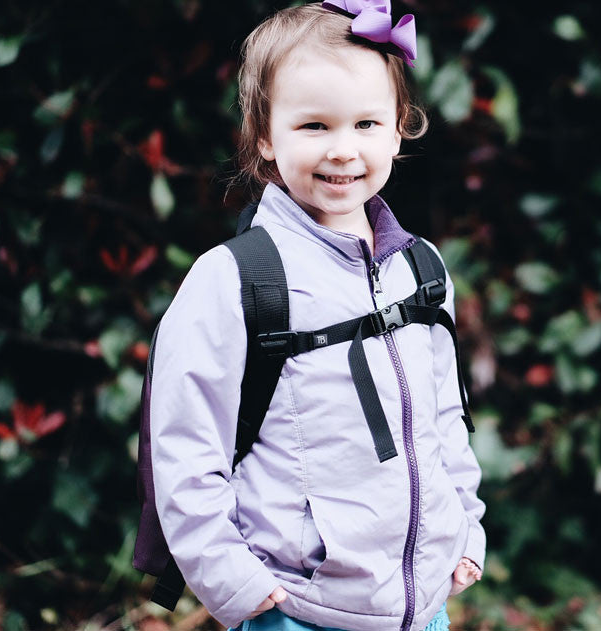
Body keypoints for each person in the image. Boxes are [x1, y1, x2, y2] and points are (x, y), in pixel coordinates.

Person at [148, 2, 486, 630]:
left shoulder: (423, 268)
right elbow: (184, 449)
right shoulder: (234, 280)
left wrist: (466, 527)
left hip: (421, 608)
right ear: (266, 135)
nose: (343, 149)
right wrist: (232, 580)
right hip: (297, 607)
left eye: (365, 123)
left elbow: (446, 418)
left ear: (397, 130)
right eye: (313, 126)